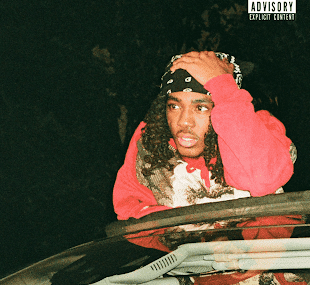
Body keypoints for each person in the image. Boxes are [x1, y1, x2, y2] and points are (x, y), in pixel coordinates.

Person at [113, 51, 296, 220]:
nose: (184, 122)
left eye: (201, 108)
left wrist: (223, 88)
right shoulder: (153, 143)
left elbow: (263, 180)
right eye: (174, 106)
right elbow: (131, 213)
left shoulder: (263, 130)